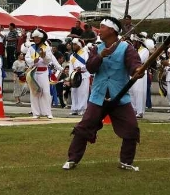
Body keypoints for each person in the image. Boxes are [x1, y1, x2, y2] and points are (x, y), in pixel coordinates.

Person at [63, 16, 143, 172]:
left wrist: (137, 71)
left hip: (119, 95)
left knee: (131, 127)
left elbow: (134, 64)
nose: (99, 30)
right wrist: (101, 55)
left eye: (102, 27)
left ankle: (126, 162)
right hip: (98, 95)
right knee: (84, 127)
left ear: (112, 30)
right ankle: (72, 159)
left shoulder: (127, 48)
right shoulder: (96, 49)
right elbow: (91, 68)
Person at [26, 29, 58, 118]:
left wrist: (44, 56)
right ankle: (36, 113)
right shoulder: (31, 48)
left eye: (37, 38)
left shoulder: (46, 47)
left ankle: (48, 112)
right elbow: (27, 58)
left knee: (46, 92)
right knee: (34, 92)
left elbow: (49, 60)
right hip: (34, 72)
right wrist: (33, 61)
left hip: (43, 72)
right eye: (34, 38)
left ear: (41, 38)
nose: (36, 39)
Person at [69, 37, 91, 116]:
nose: (73, 46)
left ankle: (82, 109)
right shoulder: (72, 56)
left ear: (79, 45)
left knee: (82, 93)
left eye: (75, 45)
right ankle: (75, 108)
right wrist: (70, 76)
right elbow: (71, 67)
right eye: (73, 45)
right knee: (74, 92)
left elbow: (87, 63)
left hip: (83, 75)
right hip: (75, 76)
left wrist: (81, 68)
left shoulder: (85, 53)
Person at [128, 34, 148, 118]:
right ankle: (133, 110)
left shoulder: (145, 50)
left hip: (141, 74)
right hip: (132, 73)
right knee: (131, 92)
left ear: (139, 42)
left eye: (134, 41)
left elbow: (139, 60)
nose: (133, 43)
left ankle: (140, 111)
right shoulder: (133, 50)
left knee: (139, 92)